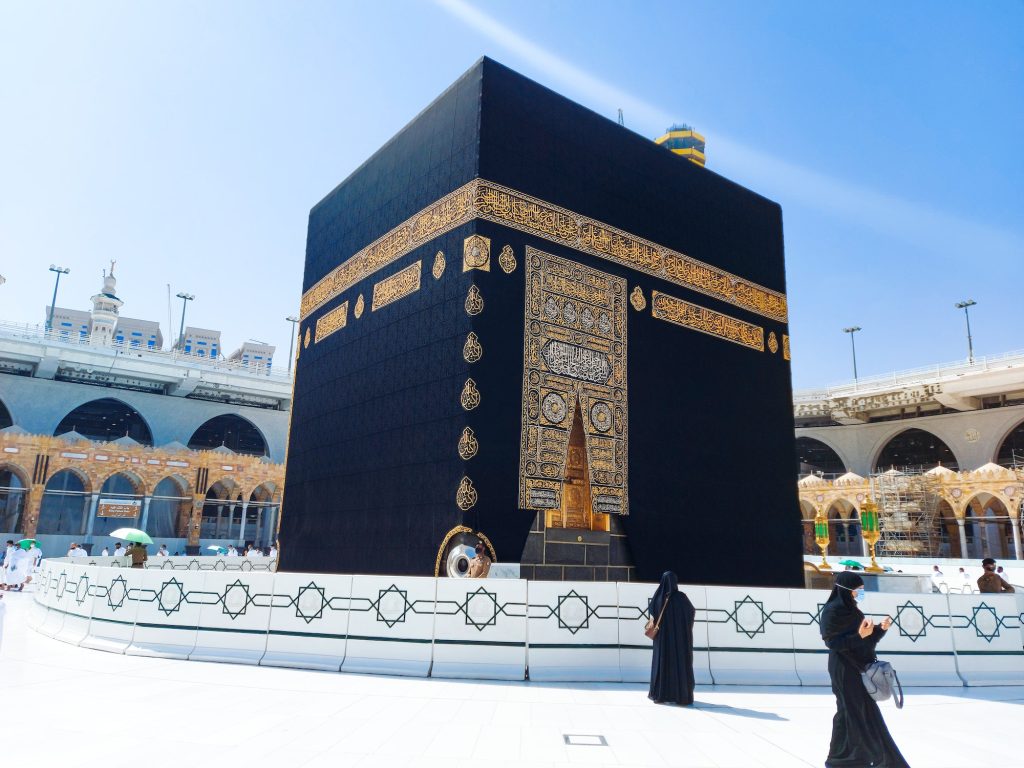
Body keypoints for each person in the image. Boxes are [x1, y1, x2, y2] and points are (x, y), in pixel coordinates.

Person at [820, 571, 909, 768]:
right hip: (844, 670)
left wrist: (880, 629)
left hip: (858, 667)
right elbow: (833, 643)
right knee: (857, 712)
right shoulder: (832, 611)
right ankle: (880, 761)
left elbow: (864, 640)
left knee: (848, 712)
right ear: (846, 590)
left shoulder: (854, 610)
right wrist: (860, 635)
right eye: (858, 590)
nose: (860, 593)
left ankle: (840, 759)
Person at [648, 571, 697, 706]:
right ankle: (680, 695)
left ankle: (660, 694)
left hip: (662, 641)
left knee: (661, 664)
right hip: (679, 642)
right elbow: (691, 612)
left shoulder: (659, 597)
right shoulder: (682, 598)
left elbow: (652, 610)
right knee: (679, 664)